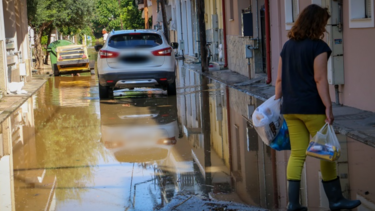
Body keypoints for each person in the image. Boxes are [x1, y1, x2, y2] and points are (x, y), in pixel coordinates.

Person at [274, 5, 361, 211]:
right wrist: (328, 107)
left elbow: (278, 80)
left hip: (291, 108)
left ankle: (293, 204)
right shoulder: (318, 46)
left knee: (297, 154)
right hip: (312, 107)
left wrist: (277, 103)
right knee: (326, 151)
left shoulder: (287, 46)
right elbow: (320, 78)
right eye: (323, 22)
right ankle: (336, 200)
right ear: (318, 23)